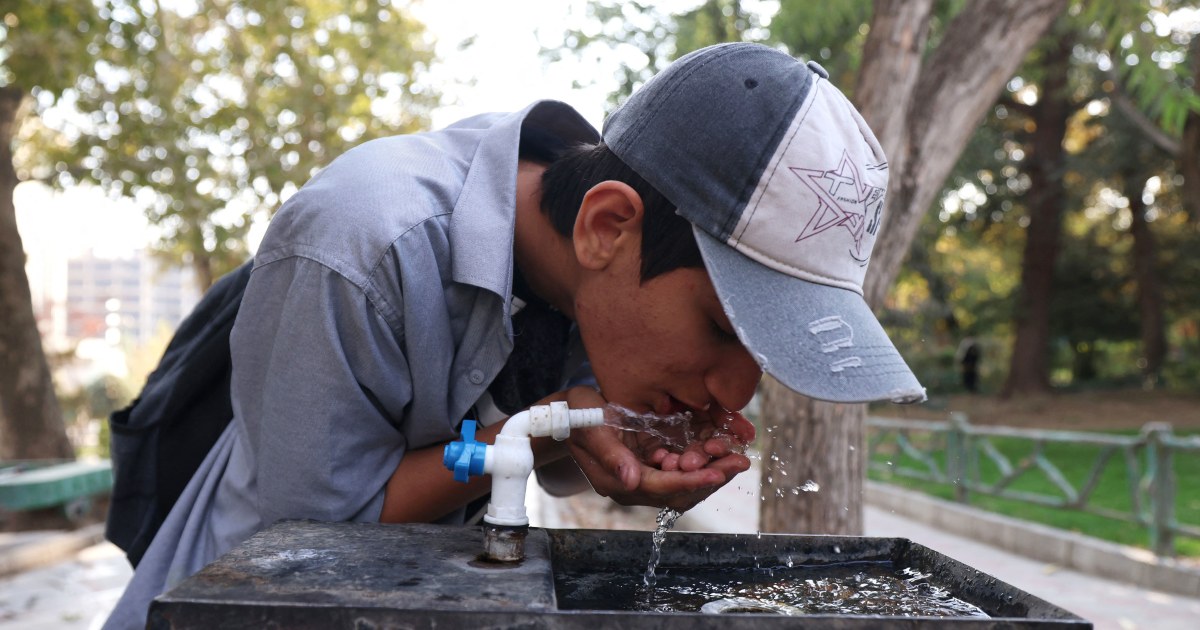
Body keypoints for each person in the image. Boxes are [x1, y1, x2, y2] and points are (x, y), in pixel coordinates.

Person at [103, 42, 924, 628]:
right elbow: (311, 539)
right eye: (721, 325)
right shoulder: (361, 243)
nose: (735, 392)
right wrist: (536, 433)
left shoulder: (588, 271)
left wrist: (599, 433)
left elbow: (543, 449)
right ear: (608, 224)